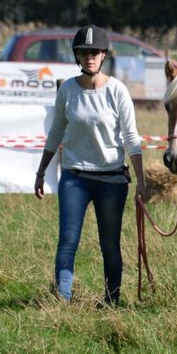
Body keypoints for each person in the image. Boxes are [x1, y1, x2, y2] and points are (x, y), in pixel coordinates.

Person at [34, 25, 146, 306]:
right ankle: (63, 299)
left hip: (111, 180)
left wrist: (142, 181)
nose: (89, 57)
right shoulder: (68, 91)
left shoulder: (118, 91)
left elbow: (131, 137)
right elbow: (56, 132)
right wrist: (41, 172)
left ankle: (111, 300)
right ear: (77, 56)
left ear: (104, 55)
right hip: (75, 178)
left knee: (109, 245)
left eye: (95, 52)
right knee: (67, 242)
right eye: (84, 52)